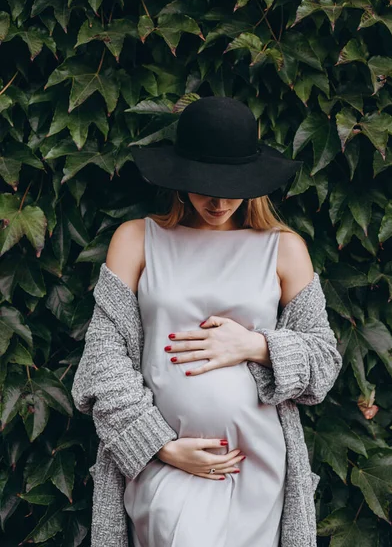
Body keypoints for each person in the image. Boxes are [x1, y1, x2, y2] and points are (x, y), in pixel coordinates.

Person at [71, 95, 342, 547]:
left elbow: (324, 363)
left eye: (231, 186)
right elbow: (102, 360)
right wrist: (158, 446)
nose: (217, 202)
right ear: (180, 176)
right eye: (204, 185)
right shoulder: (137, 240)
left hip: (254, 464)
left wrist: (257, 345)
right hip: (160, 461)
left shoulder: (285, 248)